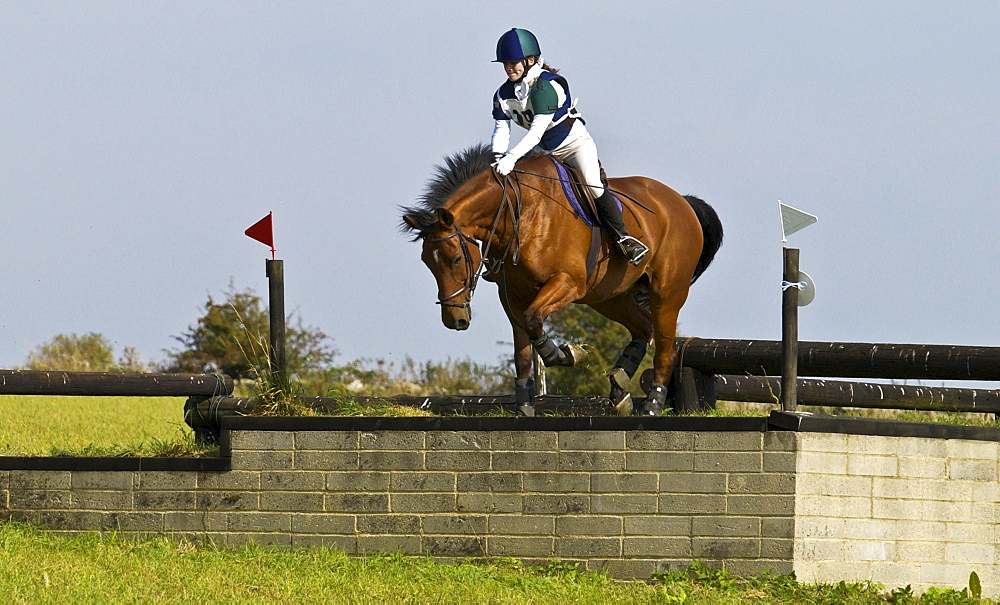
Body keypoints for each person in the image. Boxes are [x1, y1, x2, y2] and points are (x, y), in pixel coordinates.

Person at [490, 28, 648, 265]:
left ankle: (624, 239)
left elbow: (536, 132)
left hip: (573, 146)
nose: (509, 68)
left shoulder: (545, 86)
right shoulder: (503, 94)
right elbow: (502, 129)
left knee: (593, 186)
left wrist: (511, 157)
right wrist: (496, 157)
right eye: (505, 64)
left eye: (513, 63)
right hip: (544, 153)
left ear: (530, 60)